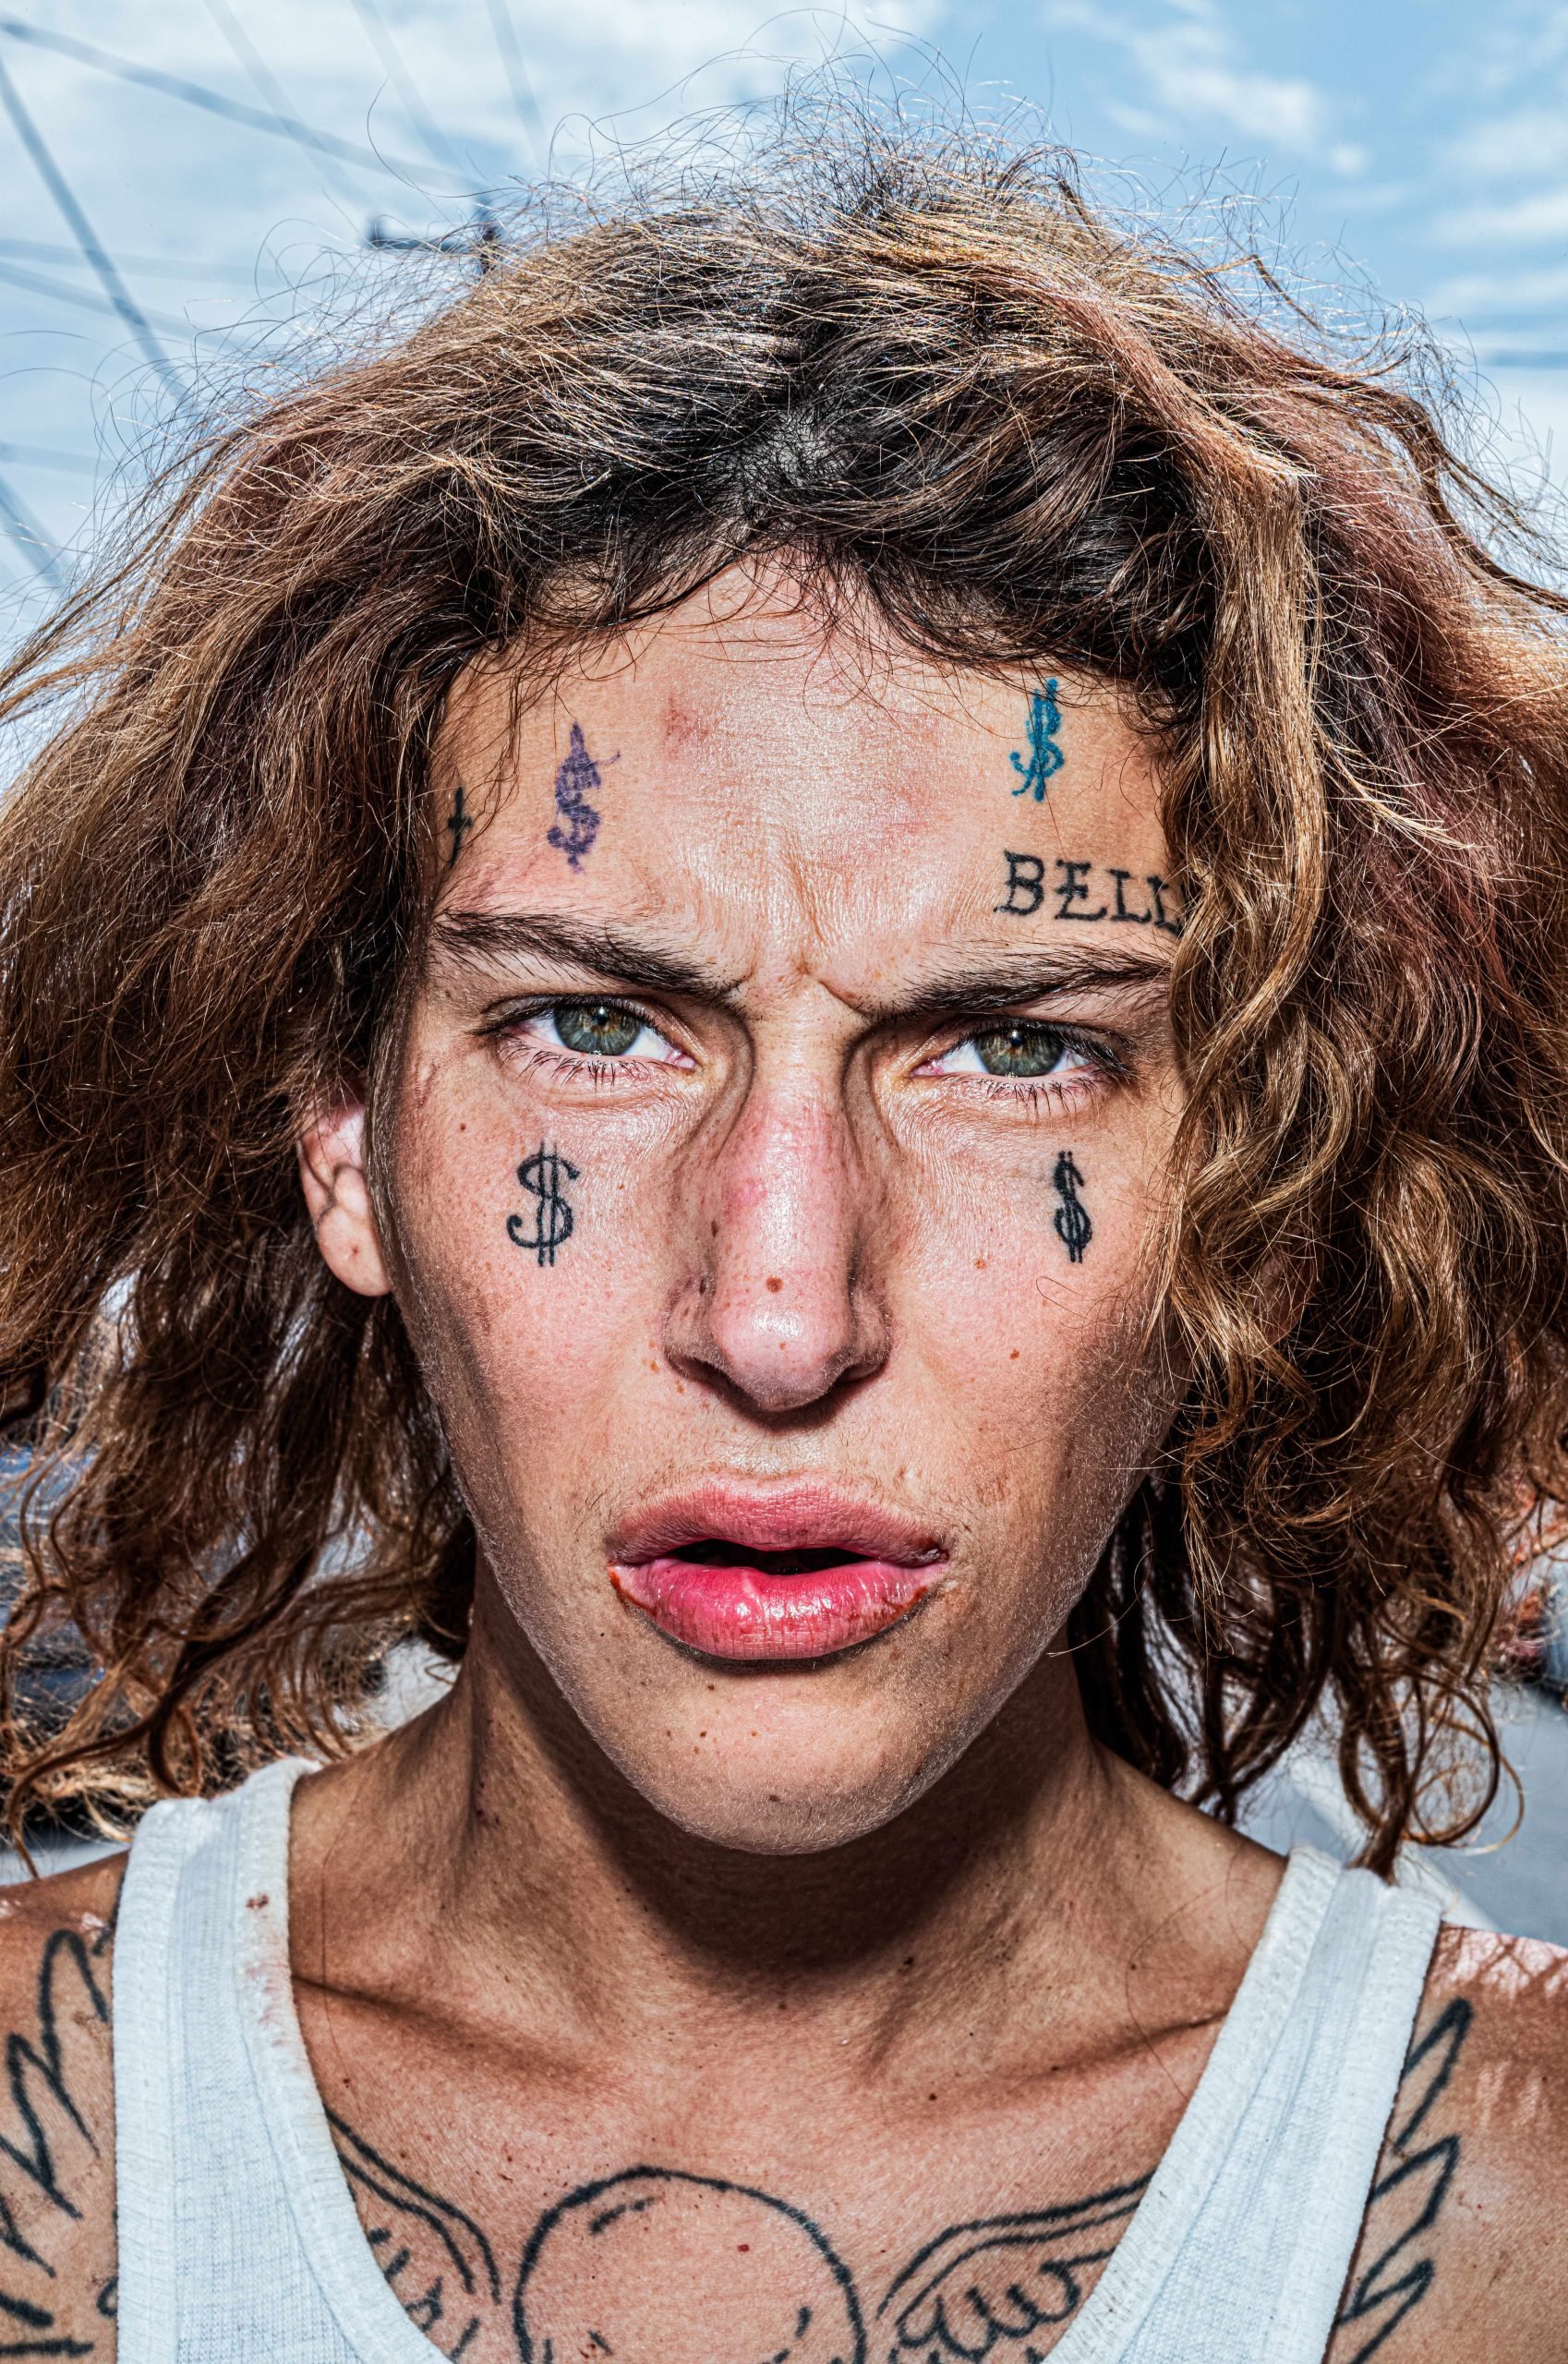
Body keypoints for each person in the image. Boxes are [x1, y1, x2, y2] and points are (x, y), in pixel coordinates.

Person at [0, 110, 1562, 2364]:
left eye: (1012, 1045)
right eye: (594, 1022)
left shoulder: (1524, 2205)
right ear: (343, 1138)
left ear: (1252, 1177)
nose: (778, 1308)